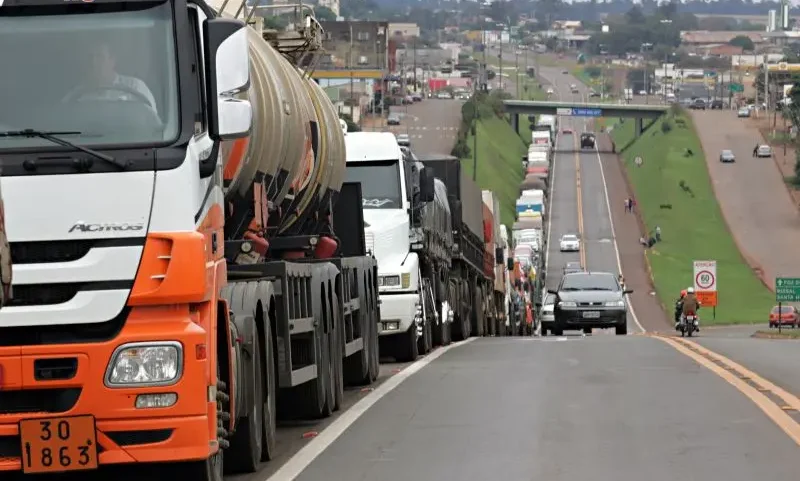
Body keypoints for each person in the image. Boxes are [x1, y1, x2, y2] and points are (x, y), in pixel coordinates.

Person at [64, 44, 158, 114]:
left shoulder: (135, 87)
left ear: (112, 60)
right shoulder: (76, 95)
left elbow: (151, 122)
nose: (94, 63)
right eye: (90, 57)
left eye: (100, 57)